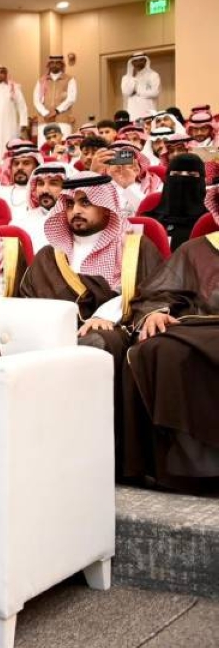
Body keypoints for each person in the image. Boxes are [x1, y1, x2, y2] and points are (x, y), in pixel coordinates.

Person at [19, 175, 163, 423]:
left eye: (85, 203)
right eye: (70, 204)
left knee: (95, 342)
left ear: (106, 207)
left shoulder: (133, 246)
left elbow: (150, 291)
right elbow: (28, 302)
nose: (76, 211)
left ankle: (89, 426)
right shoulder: (50, 256)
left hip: (115, 327)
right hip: (53, 331)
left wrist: (103, 315)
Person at [121, 183, 219, 492]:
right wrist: (155, 311)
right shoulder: (195, 249)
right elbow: (161, 290)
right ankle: (182, 469)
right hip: (199, 327)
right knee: (155, 349)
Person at [147, 154, 209, 251]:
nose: (182, 179)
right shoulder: (147, 221)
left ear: (202, 181)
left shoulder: (212, 223)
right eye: (176, 175)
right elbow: (130, 258)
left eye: (191, 175)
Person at [15, 163, 69, 254]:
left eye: (53, 183)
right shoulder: (21, 221)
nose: (45, 190)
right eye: (40, 183)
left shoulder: (75, 222)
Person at [104, 143, 161, 218]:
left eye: (127, 160)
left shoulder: (155, 183)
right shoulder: (103, 186)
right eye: (117, 161)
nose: (122, 167)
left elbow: (149, 212)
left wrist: (129, 186)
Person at [0, 140, 40, 216]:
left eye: (26, 163)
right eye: (16, 163)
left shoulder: (42, 192)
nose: (19, 167)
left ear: (37, 167)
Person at [33, 54, 77, 137]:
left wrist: (56, 111)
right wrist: (46, 113)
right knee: (44, 144)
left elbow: (71, 98)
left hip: (63, 119)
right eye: (52, 63)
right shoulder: (41, 80)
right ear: (49, 65)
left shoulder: (69, 79)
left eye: (57, 63)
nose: (54, 65)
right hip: (45, 119)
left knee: (62, 142)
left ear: (62, 65)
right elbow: (36, 100)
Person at [120, 53, 161, 119]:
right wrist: (132, 78)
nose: (138, 63)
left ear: (145, 61)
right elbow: (126, 93)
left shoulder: (153, 75)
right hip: (132, 113)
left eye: (141, 60)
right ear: (132, 63)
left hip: (148, 112)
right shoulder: (126, 78)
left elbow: (155, 92)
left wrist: (137, 91)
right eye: (135, 61)